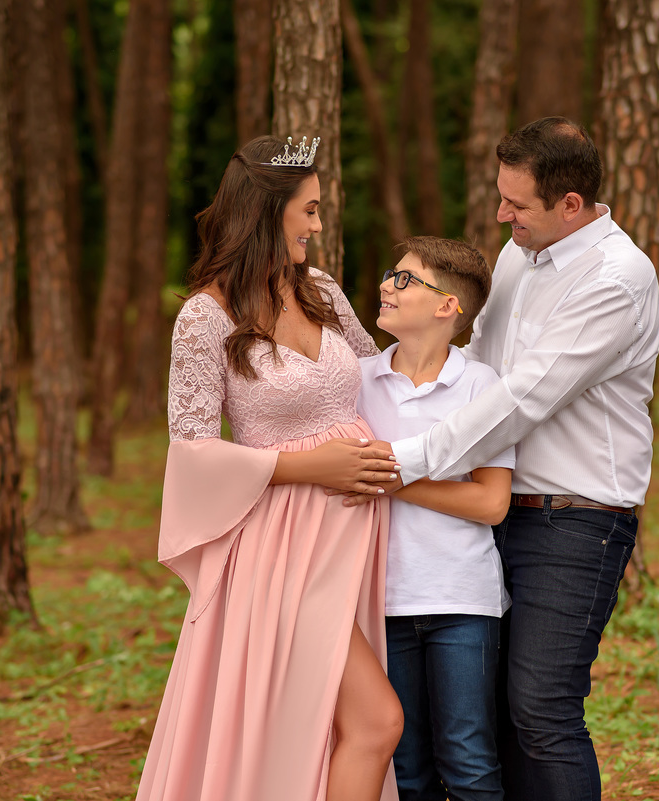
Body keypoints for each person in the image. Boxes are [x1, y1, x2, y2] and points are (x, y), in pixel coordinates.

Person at [376, 117, 659, 800]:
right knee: (494, 718)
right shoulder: (518, 254)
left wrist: (402, 460)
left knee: (541, 709)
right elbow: (480, 367)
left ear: (571, 203)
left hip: (575, 521)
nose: (503, 215)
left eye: (517, 204)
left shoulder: (616, 278)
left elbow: (523, 398)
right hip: (495, 512)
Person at [136, 135, 402, 801]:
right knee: (375, 720)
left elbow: (381, 380)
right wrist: (311, 466)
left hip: (349, 540)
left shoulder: (322, 292)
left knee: (323, 725)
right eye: (308, 210)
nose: (319, 224)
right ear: (265, 211)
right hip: (280, 552)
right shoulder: (205, 317)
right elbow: (193, 452)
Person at [354, 237, 515, 801]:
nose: (386, 286)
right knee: (406, 767)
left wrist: (397, 480)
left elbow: (492, 503)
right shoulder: (355, 381)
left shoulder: (481, 385)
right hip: (380, 602)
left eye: (405, 279)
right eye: (389, 274)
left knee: (468, 759)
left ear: (448, 305)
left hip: (462, 601)